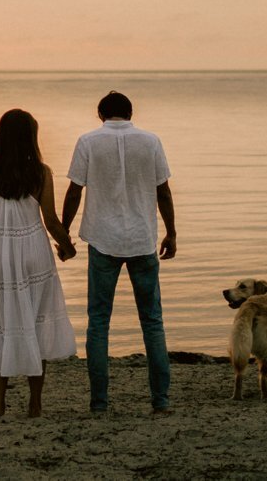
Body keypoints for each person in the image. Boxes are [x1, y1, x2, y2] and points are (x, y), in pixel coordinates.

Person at [61, 90, 177, 414]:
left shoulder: (88, 141)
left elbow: (74, 191)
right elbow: (163, 191)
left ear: (101, 114)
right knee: (152, 322)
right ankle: (161, 401)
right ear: (130, 113)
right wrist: (172, 231)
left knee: (98, 323)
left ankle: (99, 403)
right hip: (142, 239)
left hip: (102, 240)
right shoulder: (151, 141)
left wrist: (64, 233)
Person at [0, 108, 77, 419]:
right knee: (36, 323)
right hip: (34, 254)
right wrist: (67, 246)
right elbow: (51, 220)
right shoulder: (40, 173)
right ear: (31, 137)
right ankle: (35, 404)